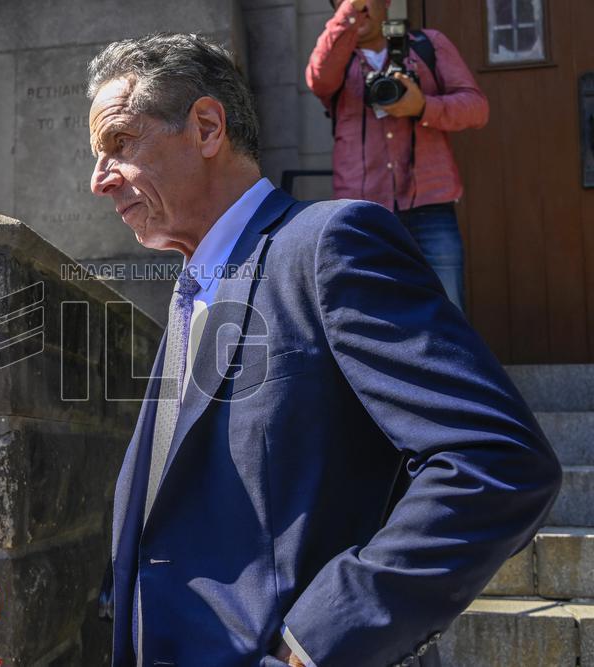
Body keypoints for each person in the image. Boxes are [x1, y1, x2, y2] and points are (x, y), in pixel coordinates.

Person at [87, 33, 559, 667]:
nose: (98, 180)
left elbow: (496, 462)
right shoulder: (190, 291)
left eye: (120, 143)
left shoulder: (329, 246)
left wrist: (314, 646)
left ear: (205, 127)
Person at [306, 0, 488, 311]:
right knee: (374, 311)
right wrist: (348, 14)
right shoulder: (335, 57)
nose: (358, 8)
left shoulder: (426, 45)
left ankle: (449, 361)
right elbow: (318, 78)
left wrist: (421, 107)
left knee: (448, 307)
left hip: (431, 204)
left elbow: (477, 109)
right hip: (362, 210)